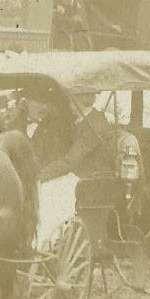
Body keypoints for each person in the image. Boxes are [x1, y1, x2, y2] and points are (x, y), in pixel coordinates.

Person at [36, 91, 117, 247]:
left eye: (71, 101)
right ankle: (44, 239)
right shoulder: (82, 121)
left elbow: (71, 161)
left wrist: (39, 176)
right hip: (81, 174)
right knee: (46, 188)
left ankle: (48, 241)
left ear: (80, 101)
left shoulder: (96, 124)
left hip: (94, 178)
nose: (69, 105)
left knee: (49, 190)